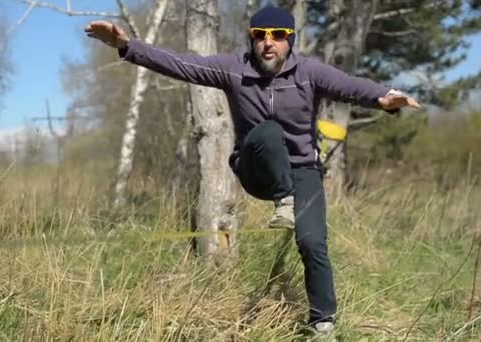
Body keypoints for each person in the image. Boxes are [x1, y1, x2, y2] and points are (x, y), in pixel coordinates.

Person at [84, 4, 420, 336]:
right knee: (269, 131)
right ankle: (283, 198)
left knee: (313, 242)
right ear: (251, 40)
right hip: (255, 167)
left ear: (290, 40)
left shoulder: (309, 73)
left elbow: (351, 86)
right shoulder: (234, 69)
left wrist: (384, 97)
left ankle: (323, 322)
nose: (268, 42)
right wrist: (128, 46)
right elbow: (183, 65)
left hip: (303, 170)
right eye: (260, 36)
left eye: (277, 35)